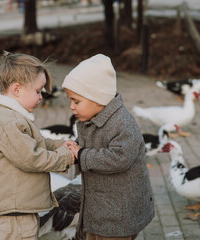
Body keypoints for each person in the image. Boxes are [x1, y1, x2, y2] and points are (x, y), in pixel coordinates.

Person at [0, 51, 75, 240]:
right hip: (14, 210)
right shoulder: (8, 122)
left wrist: (61, 145)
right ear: (17, 89)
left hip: (20, 205)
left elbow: (37, 143)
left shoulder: (13, 116)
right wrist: (65, 157)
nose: (41, 97)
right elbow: (31, 158)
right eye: (38, 91)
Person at [63, 54, 155, 240]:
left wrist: (82, 155)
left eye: (76, 101)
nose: (71, 107)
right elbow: (90, 143)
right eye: (70, 101)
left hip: (119, 213)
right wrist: (75, 147)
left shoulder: (122, 123)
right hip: (102, 208)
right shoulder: (89, 119)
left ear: (97, 98)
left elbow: (119, 158)